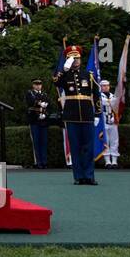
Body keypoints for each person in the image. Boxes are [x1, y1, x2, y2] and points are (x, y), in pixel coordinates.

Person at [57, 45, 99, 185]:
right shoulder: (65, 75)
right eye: (72, 58)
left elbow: (96, 95)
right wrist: (64, 70)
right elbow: (56, 82)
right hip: (72, 115)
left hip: (87, 115)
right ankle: (79, 176)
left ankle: (89, 175)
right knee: (75, 147)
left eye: (77, 58)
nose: (76, 61)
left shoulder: (89, 75)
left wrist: (97, 113)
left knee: (88, 146)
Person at [26, 77, 49, 168]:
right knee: (36, 141)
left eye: (40, 84)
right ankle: (38, 162)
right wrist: (39, 104)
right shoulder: (30, 93)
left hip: (43, 120)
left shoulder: (44, 94)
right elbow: (30, 102)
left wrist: (45, 114)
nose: (38, 86)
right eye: (36, 84)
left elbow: (49, 104)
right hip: (34, 119)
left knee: (44, 142)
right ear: (33, 85)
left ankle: (44, 162)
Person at [99, 79, 120, 168]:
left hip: (113, 121)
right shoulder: (99, 97)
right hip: (104, 122)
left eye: (107, 85)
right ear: (100, 87)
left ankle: (114, 161)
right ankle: (107, 161)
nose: (106, 87)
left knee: (114, 141)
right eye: (103, 86)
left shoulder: (113, 96)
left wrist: (115, 117)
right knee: (105, 141)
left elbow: (117, 107)